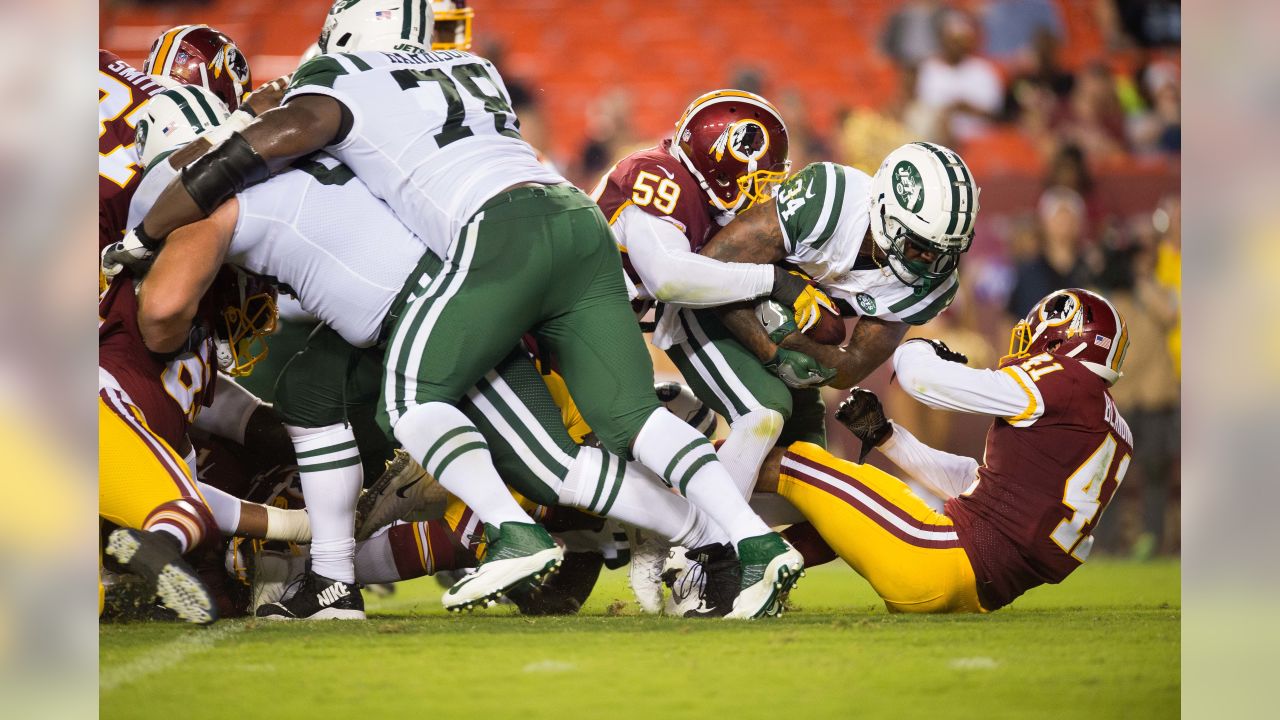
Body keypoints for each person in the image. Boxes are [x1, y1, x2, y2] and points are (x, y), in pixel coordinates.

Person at [126, 88, 742, 620]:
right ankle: (332, 579)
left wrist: (140, 267)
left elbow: (160, 313)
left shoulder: (202, 190)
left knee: (551, 466)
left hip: (432, 306)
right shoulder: (290, 147)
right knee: (306, 391)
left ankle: (706, 537)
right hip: (392, 309)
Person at [755, 288, 1132, 612]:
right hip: (974, 592)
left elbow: (919, 379)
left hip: (937, 557)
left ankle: (715, 537)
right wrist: (887, 437)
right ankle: (750, 574)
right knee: (839, 519)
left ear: (1058, 338)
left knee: (798, 460)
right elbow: (974, 485)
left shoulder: (1064, 383)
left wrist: (920, 345)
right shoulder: (1111, 426)